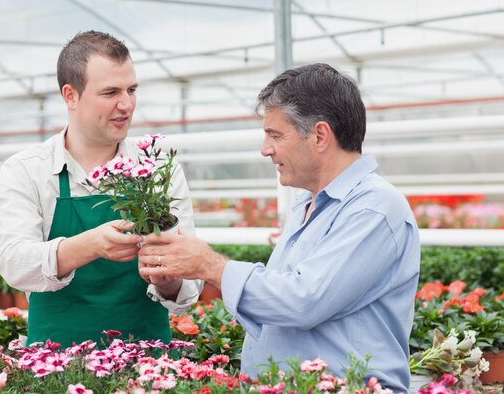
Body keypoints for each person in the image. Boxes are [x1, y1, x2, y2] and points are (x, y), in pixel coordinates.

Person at [139, 63, 420, 392]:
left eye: (275, 135)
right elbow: (281, 300)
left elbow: (303, 301)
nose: (265, 149)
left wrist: (209, 265)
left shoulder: (373, 208)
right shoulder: (307, 202)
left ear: (319, 136)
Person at [0, 30, 201, 348]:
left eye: (132, 90)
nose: (126, 104)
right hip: (56, 364)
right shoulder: (27, 170)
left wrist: (169, 278)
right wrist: (91, 245)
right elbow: (14, 263)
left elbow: (190, 284)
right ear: (70, 96)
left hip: (145, 364)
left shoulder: (158, 168)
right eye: (110, 92)